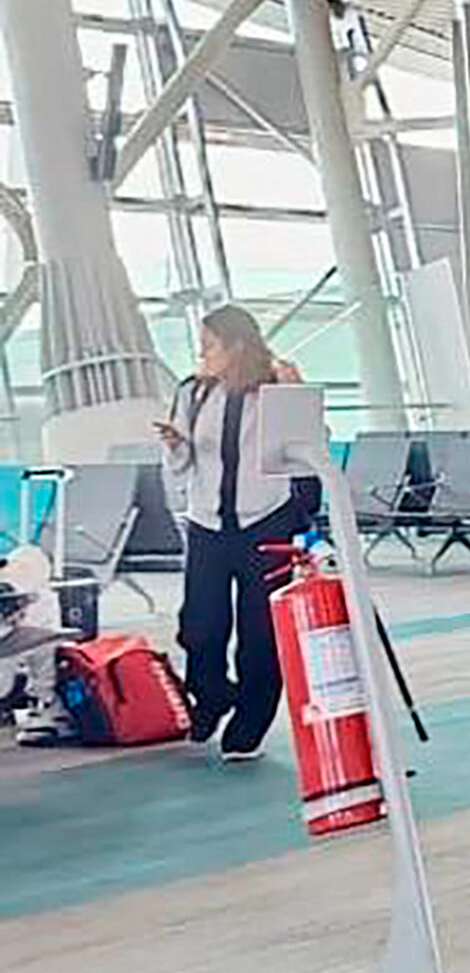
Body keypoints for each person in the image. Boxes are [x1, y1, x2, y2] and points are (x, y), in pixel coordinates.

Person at [156, 304, 313, 761]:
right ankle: (212, 695)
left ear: (237, 347)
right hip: (207, 523)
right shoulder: (191, 393)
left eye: (208, 345)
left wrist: (295, 395)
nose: (200, 354)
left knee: (260, 633)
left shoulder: (275, 387)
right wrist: (176, 446)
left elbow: (304, 451)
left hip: (266, 521)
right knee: (200, 626)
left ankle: (249, 723)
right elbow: (183, 467)